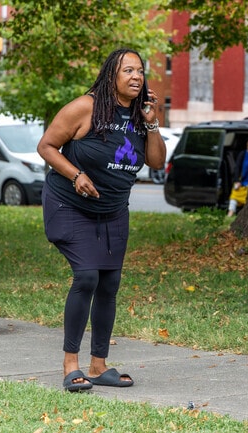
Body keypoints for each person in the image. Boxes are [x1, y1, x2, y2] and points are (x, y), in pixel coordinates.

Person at [37, 48, 166, 392]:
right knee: (87, 276)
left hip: (112, 210)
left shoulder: (142, 115)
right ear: (112, 76)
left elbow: (155, 161)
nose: (136, 77)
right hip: (69, 204)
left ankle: (99, 365)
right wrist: (76, 174)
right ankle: (70, 364)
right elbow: (47, 146)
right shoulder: (86, 107)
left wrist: (153, 121)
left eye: (140, 71)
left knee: (109, 283)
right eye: (128, 71)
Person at [227, 139, 248, 217]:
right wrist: (237, 181)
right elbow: (237, 167)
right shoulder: (243, 154)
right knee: (234, 197)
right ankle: (230, 214)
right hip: (241, 181)